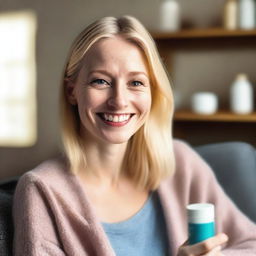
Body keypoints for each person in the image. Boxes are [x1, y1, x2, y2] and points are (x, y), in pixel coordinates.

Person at [13, 15, 256, 256]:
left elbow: (250, 243)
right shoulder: (42, 190)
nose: (119, 101)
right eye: (100, 81)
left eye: (136, 83)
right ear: (72, 92)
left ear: (153, 92)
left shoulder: (182, 163)